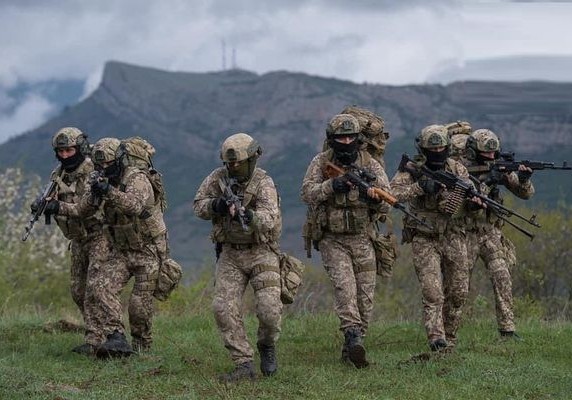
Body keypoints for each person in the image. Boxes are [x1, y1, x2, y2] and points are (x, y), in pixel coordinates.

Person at [48, 137, 167, 357]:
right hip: (120, 251)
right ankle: (116, 337)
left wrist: (108, 191)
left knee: (138, 308)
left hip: (147, 251)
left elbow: (136, 205)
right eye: (99, 164)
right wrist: (56, 206)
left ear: (119, 160)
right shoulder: (99, 179)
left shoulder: (137, 178)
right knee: (98, 287)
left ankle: (142, 348)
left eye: (107, 164)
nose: (103, 168)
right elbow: (82, 210)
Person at [300, 114, 390, 368]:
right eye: (341, 138)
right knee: (345, 288)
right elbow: (306, 192)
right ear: (332, 140)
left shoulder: (369, 163)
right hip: (332, 239)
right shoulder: (321, 162)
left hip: (363, 238)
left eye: (351, 137)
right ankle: (352, 336)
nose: (346, 141)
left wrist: (375, 198)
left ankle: (352, 348)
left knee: (365, 298)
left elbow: (387, 195)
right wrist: (332, 186)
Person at [193, 133, 283, 382]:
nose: (233, 167)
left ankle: (266, 345)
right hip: (230, 253)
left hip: (261, 251)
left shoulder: (264, 182)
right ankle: (243, 363)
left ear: (253, 159)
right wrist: (218, 206)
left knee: (269, 311)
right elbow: (198, 204)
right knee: (223, 308)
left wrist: (248, 216)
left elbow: (269, 218)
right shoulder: (217, 178)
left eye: (238, 163)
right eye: (229, 163)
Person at [390, 124, 474, 351]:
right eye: (432, 150)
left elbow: (471, 194)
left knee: (458, 292)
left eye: (441, 148)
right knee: (432, 291)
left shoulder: (457, 169)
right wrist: (420, 187)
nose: (437, 153)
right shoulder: (412, 169)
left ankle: (450, 335)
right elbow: (392, 194)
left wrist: (474, 202)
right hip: (424, 236)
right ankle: (436, 339)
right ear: (424, 149)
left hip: (454, 235)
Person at [32, 127, 105, 355]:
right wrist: (42, 204)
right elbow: (53, 197)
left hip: (99, 234)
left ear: (80, 148)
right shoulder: (59, 174)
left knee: (96, 289)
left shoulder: (94, 171)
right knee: (78, 290)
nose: (65, 155)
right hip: (78, 239)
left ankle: (100, 340)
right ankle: (96, 333)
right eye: (61, 151)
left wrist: (58, 206)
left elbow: (88, 207)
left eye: (69, 150)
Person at [460, 128, 534, 339]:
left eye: (494, 153)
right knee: (459, 284)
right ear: (474, 152)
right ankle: (447, 330)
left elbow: (525, 194)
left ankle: (507, 329)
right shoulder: (460, 168)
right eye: (486, 154)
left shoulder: (497, 166)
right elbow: (465, 197)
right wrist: (488, 181)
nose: (491, 157)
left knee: (502, 276)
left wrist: (523, 179)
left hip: (490, 232)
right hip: (465, 232)